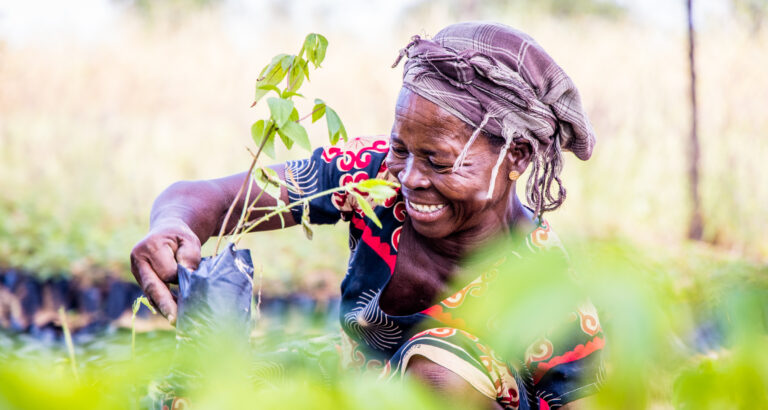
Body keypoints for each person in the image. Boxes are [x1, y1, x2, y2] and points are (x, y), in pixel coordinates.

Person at [131, 22, 604, 410]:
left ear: (516, 156)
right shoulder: (370, 180)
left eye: (438, 161)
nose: (411, 177)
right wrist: (172, 225)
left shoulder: (546, 284)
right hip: (357, 387)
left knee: (441, 366)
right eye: (401, 149)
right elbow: (208, 198)